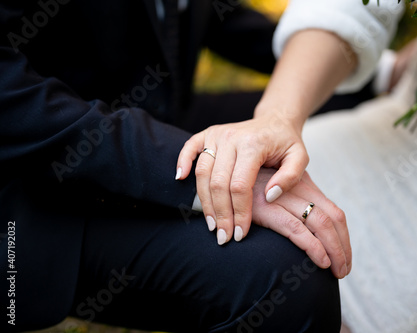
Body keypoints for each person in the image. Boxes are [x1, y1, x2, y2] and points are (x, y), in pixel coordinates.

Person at [0, 0, 363, 332]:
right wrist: (213, 170)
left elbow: (218, 17)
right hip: (31, 193)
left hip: (143, 116)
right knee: (285, 276)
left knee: (342, 97)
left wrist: (377, 71)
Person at [284, 5, 417, 333]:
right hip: (398, 125)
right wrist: (279, 116)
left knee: (324, 313)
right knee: (250, 219)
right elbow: (355, 8)